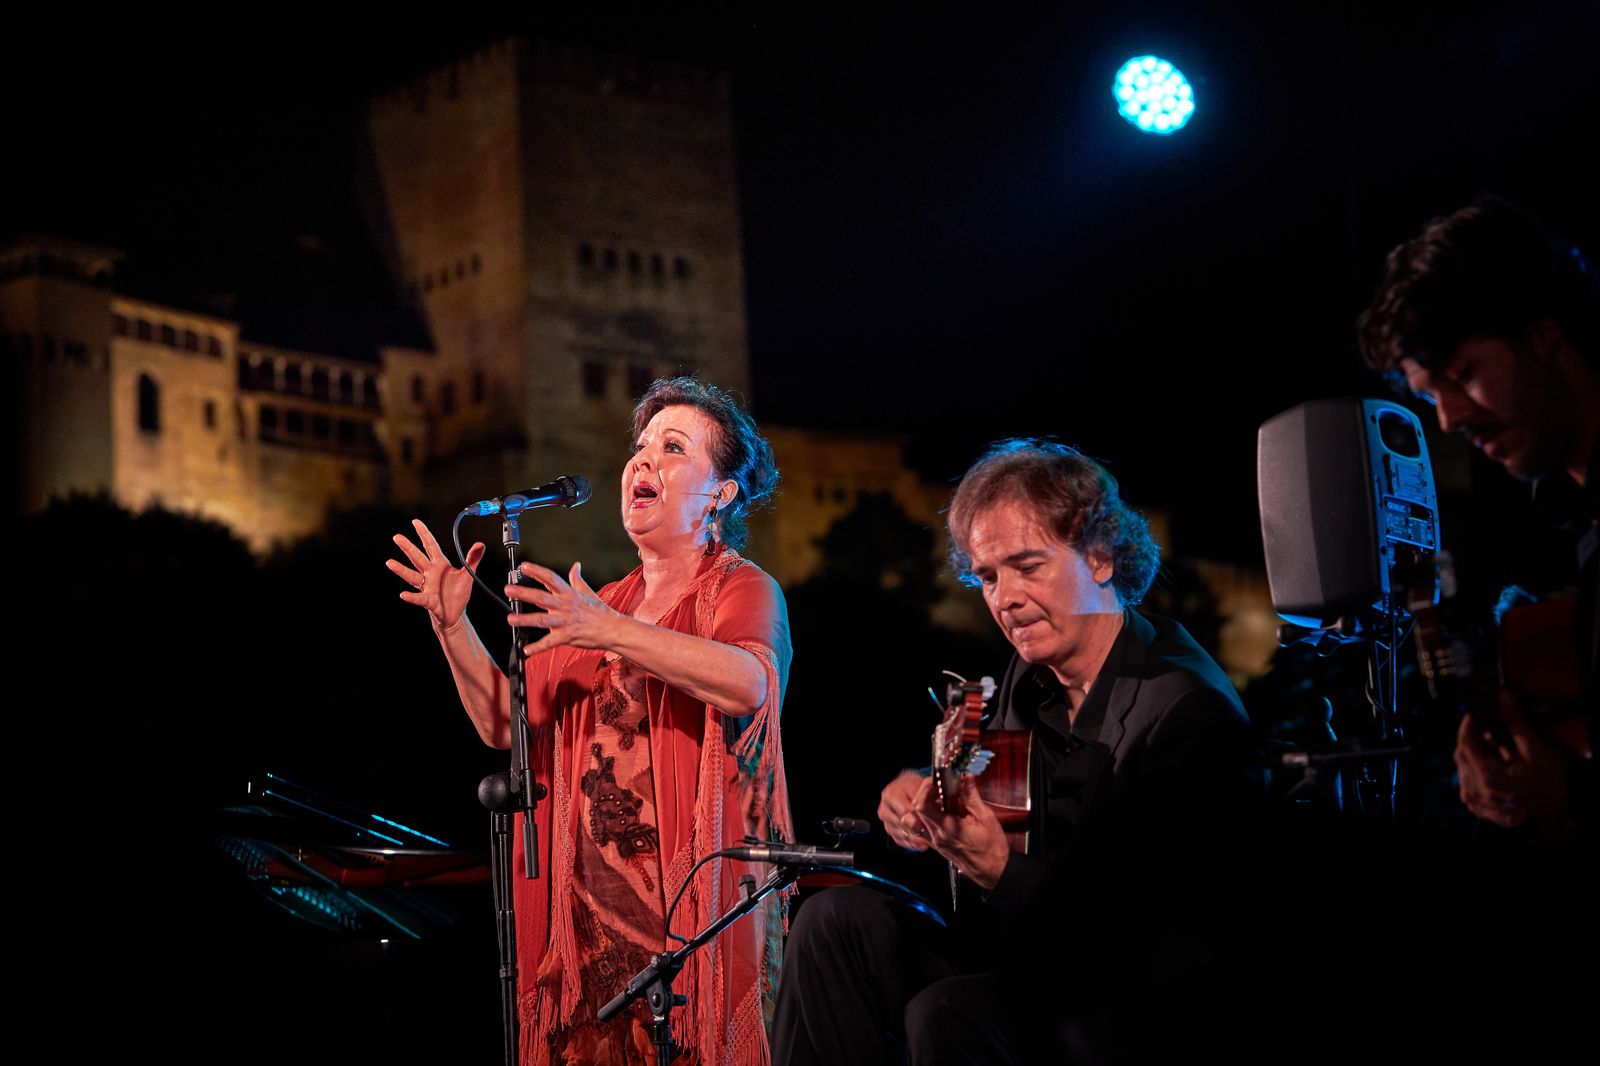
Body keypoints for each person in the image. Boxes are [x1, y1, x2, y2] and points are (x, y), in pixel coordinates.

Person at [771, 440, 1257, 1065]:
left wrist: (1002, 873)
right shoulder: (1030, 680)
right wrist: (926, 798)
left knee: (947, 1012)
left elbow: (1155, 940)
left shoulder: (1187, 710)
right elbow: (1003, 798)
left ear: (1102, 554)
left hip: (1129, 999)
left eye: (1028, 567)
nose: (1004, 598)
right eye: (988, 577)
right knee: (830, 920)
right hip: (1026, 957)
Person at [388, 378, 792, 1065]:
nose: (643, 461)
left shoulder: (739, 587)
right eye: (640, 447)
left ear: (722, 492)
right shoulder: (598, 606)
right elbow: (502, 724)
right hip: (591, 934)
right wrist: (452, 627)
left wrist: (611, 631)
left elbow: (748, 683)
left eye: (673, 447)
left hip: (694, 926)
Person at [1357, 195, 1598, 840]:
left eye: (1464, 374)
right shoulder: (1569, 530)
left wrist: (1572, 794)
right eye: (1433, 395)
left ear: (1544, 331)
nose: (1450, 418)